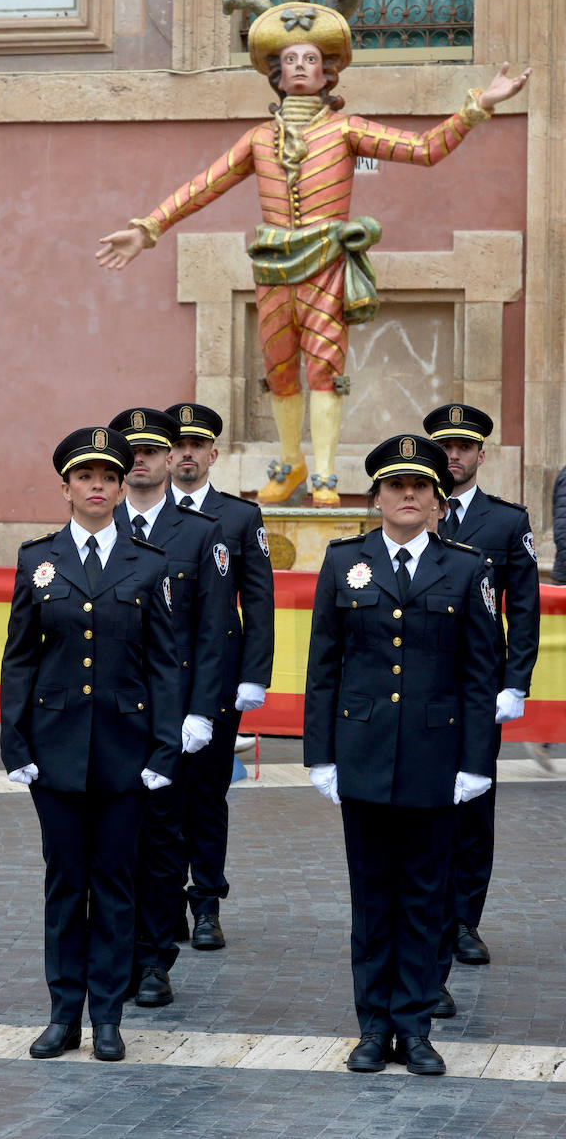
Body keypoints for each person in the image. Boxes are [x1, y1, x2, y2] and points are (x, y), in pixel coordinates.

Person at [96, 0, 529, 506]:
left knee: (324, 369)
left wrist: (479, 106)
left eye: (310, 59)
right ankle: (290, 461)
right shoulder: (259, 139)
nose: (300, 66)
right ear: (277, 75)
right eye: (290, 60)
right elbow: (204, 186)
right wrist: (148, 228)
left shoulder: (347, 129)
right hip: (272, 267)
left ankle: (323, 471)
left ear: (328, 73)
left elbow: (424, 149)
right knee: (279, 370)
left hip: (326, 262)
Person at [304, 434, 499, 1076]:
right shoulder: (344, 562)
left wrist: (476, 762)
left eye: (420, 486)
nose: (408, 495)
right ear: (377, 497)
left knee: (425, 899)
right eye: (396, 486)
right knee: (371, 900)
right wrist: (321, 754)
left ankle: (414, 1029)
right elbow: (324, 666)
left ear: (437, 499)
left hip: (434, 758)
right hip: (362, 754)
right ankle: (372, 1028)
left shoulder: (467, 568)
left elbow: (480, 674)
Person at [0, 426, 182, 1063]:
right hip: (54, 751)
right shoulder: (37, 560)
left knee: (114, 886)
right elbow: (19, 659)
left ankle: (107, 1016)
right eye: (86, 477)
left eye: (108, 476)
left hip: (125, 753)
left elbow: (165, 665)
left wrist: (164, 750)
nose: (98, 486)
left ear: (121, 487)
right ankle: (62, 1016)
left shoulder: (148, 563)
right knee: (63, 885)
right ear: (66, 488)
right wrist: (15, 742)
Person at [108, 407, 227, 1008]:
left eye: (152, 451)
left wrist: (201, 710)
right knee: (110, 842)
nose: (141, 460)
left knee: (160, 842)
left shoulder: (201, 532)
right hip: (108, 715)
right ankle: (113, 956)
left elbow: (213, 632)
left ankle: (155, 959)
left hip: (169, 715)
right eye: (131, 451)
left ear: (166, 459)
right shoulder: (96, 524)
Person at [423, 403, 540, 1004]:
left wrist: (515, 682)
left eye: (464, 447)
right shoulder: (413, 511)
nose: (454, 456)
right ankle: (426, 915)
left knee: (473, 805)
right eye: (445, 447)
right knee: (423, 802)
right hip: (421, 688)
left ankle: (465, 919)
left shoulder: (505, 522)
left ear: (480, 455)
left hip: (479, 689)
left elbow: (525, 607)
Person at [165, 403, 275, 948]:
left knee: (207, 795)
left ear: (213, 454)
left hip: (217, 679)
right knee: (160, 795)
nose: (187, 453)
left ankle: (206, 902)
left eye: (197, 445)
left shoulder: (239, 517)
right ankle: (164, 904)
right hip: (157, 678)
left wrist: (254, 675)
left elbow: (258, 600)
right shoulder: (141, 512)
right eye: (178, 445)